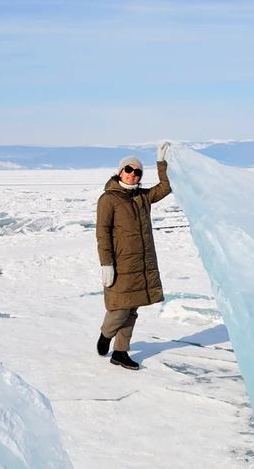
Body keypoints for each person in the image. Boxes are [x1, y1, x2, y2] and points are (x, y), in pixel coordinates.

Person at [95, 142, 172, 370]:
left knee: (132, 310)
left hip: (142, 263)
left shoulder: (143, 197)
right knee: (119, 309)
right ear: (120, 172)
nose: (132, 174)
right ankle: (105, 334)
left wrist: (161, 162)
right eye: (128, 170)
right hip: (121, 264)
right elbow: (102, 233)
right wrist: (106, 263)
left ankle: (120, 352)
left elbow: (166, 186)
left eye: (137, 171)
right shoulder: (108, 199)